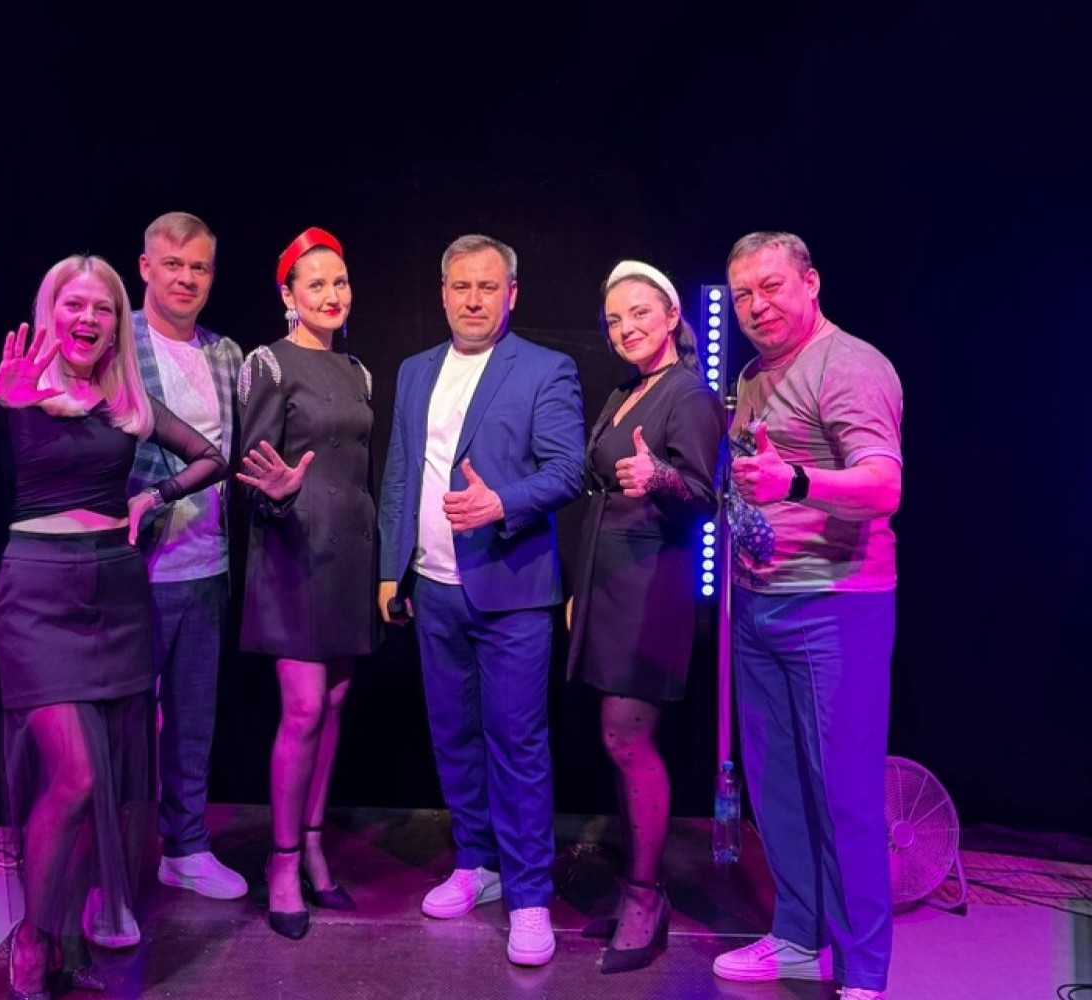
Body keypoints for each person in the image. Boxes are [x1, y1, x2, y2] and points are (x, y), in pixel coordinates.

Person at [0, 255, 227, 999]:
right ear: (50, 313)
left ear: (117, 326)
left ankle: (65, 934)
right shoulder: (20, 389)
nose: (88, 318)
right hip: (39, 597)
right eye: (74, 304)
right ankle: (33, 935)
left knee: (103, 786)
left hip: (117, 593)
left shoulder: (126, 402)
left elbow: (211, 457)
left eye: (103, 308)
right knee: (76, 776)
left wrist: (153, 498)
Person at [377, 233, 585, 967]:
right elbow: (400, 471)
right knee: (454, 737)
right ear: (443, 293)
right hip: (433, 588)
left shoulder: (546, 369)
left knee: (517, 744)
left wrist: (502, 503)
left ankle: (529, 896)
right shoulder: (414, 371)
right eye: (461, 286)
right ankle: (477, 862)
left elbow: (569, 470)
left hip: (512, 591)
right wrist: (391, 568)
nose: (473, 300)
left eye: (487, 287)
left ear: (511, 294)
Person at [711, 232, 903, 1000]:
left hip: (835, 606)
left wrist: (794, 482)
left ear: (811, 283)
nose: (756, 306)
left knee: (843, 792)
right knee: (778, 787)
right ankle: (797, 937)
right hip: (760, 601)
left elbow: (883, 486)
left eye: (770, 287)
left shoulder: (848, 365)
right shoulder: (754, 375)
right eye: (743, 295)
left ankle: (863, 971)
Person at [566, 260, 725, 973]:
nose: (625, 327)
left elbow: (703, 496)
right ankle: (637, 886)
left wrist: (660, 476)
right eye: (614, 319)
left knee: (628, 741)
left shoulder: (688, 394)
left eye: (638, 313)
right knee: (615, 741)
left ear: (670, 316)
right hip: (609, 585)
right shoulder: (627, 391)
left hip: (650, 585)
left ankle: (643, 895)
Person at [237, 227, 377, 939]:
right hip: (293, 549)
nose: (331, 294)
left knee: (336, 703)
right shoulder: (268, 363)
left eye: (339, 282)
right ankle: (283, 861)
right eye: (315, 283)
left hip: (349, 552)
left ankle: (316, 845)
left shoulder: (358, 370)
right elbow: (253, 471)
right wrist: (277, 495)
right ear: (288, 295)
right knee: (302, 708)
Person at [119, 212, 247, 931]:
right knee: (124, 727)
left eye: (198, 267)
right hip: (132, 566)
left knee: (193, 719)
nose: (186, 278)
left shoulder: (225, 353)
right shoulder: (119, 344)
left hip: (207, 564)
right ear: (145, 268)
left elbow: (234, 449)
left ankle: (186, 848)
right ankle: (114, 867)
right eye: (172, 264)